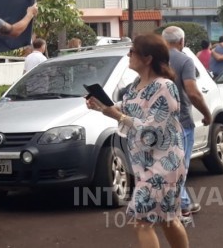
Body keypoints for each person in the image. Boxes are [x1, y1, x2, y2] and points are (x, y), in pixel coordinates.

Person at [87, 34, 188, 248]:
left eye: (132, 51)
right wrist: (101, 105)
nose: (128, 54)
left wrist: (118, 117)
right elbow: (126, 106)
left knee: (141, 219)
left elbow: (154, 131)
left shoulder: (164, 87)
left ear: (147, 58)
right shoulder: (136, 85)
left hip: (164, 164)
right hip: (144, 164)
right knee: (168, 218)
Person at [162, 26, 211, 224]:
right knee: (181, 165)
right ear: (182, 41)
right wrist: (207, 114)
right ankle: (183, 205)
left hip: (158, 122)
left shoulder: (153, 59)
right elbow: (192, 92)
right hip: (181, 121)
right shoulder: (184, 60)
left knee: (168, 165)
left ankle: (180, 203)